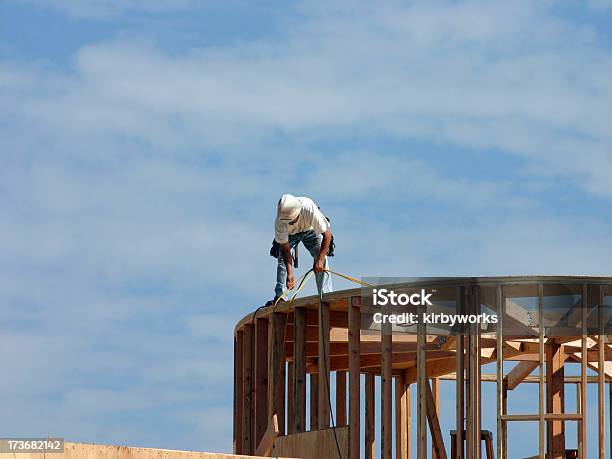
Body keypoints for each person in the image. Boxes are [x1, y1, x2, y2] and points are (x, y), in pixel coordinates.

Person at [268, 194, 333, 304]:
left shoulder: (309, 208)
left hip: (310, 230)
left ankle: (325, 295)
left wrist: (320, 260)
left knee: (321, 255)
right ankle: (281, 296)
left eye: (291, 220)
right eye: (287, 221)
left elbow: (327, 235)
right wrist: (290, 274)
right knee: (281, 259)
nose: (289, 223)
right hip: (290, 235)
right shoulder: (280, 222)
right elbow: (286, 250)